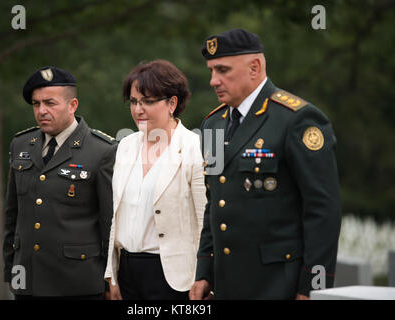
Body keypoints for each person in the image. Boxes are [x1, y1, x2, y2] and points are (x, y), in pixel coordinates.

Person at [189, 29, 342, 300]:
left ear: (255, 67)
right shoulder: (212, 125)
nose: (213, 80)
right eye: (211, 70)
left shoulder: (298, 119)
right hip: (227, 283)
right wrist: (204, 271)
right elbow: (214, 204)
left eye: (223, 70)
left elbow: (323, 211)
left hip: (277, 284)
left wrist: (312, 288)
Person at [2, 66, 117, 299]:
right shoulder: (21, 145)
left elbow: (109, 223)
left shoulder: (101, 150)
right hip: (28, 280)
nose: (42, 111)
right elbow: (12, 215)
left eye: (50, 103)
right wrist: (10, 271)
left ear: (72, 105)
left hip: (78, 284)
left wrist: (110, 278)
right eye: (36, 104)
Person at [104, 59, 207, 300]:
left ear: (172, 103)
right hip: (127, 273)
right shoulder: (125, 145)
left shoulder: (194, 147)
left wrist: (205, 276)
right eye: (133, 102)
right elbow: (115, 215)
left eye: (148, 101)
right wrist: (112, 274)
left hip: (175, 277)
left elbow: (205, 220)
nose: (138, 109)